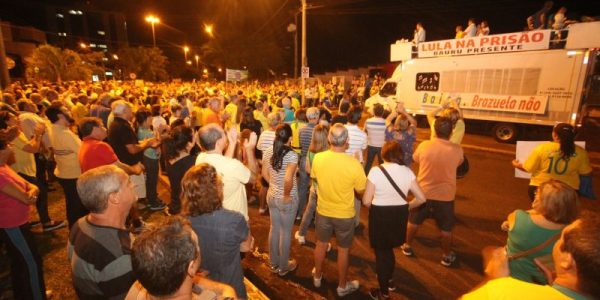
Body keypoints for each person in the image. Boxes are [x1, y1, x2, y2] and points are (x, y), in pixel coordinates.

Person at [463, 213, 600, 299]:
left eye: (561, 238)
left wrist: (494, 281)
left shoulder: (502, 292)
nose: (556, 241)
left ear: (567, 260)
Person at [363, 141, 426, 299]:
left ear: (383, 154)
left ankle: (383, 292)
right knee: (389, 249)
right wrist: (408, 206)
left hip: (380, 215)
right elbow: (421, 198)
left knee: (381, 253)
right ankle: (389, 280)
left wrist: (374, 207)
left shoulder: (376, 171)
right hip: (399, 215)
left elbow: (365, 201)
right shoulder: (407, 172)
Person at [311, 124, 367, 297]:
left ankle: (317, 276)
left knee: (321, 244)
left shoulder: (318, 158)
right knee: (343, 250)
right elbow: (361, 191)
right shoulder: (354, 164)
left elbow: (315, 179)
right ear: (347, 141)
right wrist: (361, 165)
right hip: (344, 215)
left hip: (323, 211)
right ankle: (342, 286)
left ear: (329, 139)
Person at [402, 117, 464, 267]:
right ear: (450, 132)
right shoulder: (457, 149)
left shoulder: (424, 145)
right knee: (446, 228)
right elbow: (460, 163)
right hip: (445, 196)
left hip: (423, 193)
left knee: (413, 221)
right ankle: (446, 255)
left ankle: (407, 245)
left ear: (435, 130)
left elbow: (416, 159)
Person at [127, 216, 237, 300]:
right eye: (197, 246)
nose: (199, 249)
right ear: (191, 266)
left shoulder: (137, 289)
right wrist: (228, 291)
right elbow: (226, 290)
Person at [68, 165, 137, 299]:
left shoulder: (81, 224)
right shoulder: (118, 255)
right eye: (128, 182)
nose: (133, 184)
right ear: (114, 197)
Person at [183, 164, 251, 299]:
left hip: (202, 287)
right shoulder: (235, 220)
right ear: (217, 190)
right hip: (231, 286)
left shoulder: (184, 222)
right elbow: (246, 247)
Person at [501, 179, 579, 285]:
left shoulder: (518, 217)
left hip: (511, 275)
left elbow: (514, 219)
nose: (535, 196)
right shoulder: (570, 232)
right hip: (540, 281)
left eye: (538, 194)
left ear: (545, 202)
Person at [0, 140, 48, 300]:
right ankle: (37, 295)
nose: (11, 148)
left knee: (19, 261)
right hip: (13, 225)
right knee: (30, 262)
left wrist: (32, 192)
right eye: (8, 146)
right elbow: (27, 198)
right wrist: (32, 194)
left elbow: (31, 187)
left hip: (19, 222)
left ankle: (25, 293)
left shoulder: (4, 167)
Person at [15, 101, 64, 231]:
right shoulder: (15, 133)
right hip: (24, 168)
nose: (17, 119)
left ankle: (26, 221)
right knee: (40, 192)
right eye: (13, 119)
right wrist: (38, 135)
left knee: (34, 191)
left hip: (26, 166)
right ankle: (46, 222)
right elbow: (32, 148)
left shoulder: (18, 129)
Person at [512, 123, 592, 201]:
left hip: (540, 188)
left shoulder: (542, 148)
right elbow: (586, 173)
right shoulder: (581, 152)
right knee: (562, 213)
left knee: (540, 212)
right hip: (568, 192)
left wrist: (516, 164)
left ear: (554, 135)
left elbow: (528, 168)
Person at [196, 124, 258, 221]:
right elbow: (253, 178)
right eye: (224, 133)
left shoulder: (200, 158)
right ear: (218, 142)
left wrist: (232, 144)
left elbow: (223, 162)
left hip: (214, 216)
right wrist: (250, 150)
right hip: (235, 221)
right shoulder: (233, 166)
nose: (226, 134)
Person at [262, 124, 299, 276]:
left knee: (274, 228)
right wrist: (285, 194)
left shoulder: (269, 151)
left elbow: (264, 173)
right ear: (289, 138)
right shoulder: (292, 155)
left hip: (271, 195)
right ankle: (283, 267)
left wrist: (273, 185)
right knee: (285, 232)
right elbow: (288, 178)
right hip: (286, 197)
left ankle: (273, 263)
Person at [46, 104, 86, 229]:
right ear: (60, 115)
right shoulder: (65, 134)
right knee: (77, 206)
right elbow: (83, 152)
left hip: (63, 172)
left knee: (72, 202)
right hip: (73, 174)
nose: (69, 111)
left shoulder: (52, 128)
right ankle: (78, 230)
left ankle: (75, 229)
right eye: (66, 110)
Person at [296, 124, 329, 245]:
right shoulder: (329, 153)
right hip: (326, 189)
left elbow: (309, 171)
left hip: (314, 188)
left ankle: (301, 234)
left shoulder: (311, 151)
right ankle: (322, 241)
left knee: (308, 212)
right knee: (322, 216)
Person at [135, 108, 166, 211]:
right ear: (146, 119)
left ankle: (152, 198)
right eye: (150, 119)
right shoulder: (146, 132)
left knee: (150, 179)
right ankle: (153, 202)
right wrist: (161, 135)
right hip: (151, 159)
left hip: (147, 157)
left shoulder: (140, 129)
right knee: (152, 180)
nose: (152, 120)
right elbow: (155, 144)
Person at [164, 125, 196, 215]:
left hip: (176, 202)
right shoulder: (190, 162)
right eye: (193, 135)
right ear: (188, 142)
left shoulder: (171, 155)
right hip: (184, 208)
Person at [256, 112, 282, 214]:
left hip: (265, 164)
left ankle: (261, 207)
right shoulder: (280, 135)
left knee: (264, 186)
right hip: (277, 165)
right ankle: (275, 209)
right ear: (279, 121)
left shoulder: (263, 134)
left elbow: (259, 148)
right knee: (277, 187)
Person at [297, 107, 319, 219]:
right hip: (316, 160)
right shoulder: (319, 130)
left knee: (302, 187)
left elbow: (301, 145)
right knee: (317, 187)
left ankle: (299, 213)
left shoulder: (301, 129)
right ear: (317, 116)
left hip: (304, 159)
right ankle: (315, 214)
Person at [385, 102, 417, 167]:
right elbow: (414, 122)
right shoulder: (409, 133)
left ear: (396, 122)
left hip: (392, 160)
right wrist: (404, 112)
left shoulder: (391, 131)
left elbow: (388, 120)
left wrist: (396, 111)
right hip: (406, 161)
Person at [364, 103, 386, 173]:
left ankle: (365, 178)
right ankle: (383, 179)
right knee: (382, 165)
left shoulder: (368, 121)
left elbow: (364, 132)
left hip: (371, 145)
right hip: (382, 146)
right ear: (382, 112)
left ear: (373, 111)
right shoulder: (385, 122)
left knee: (368, 163)